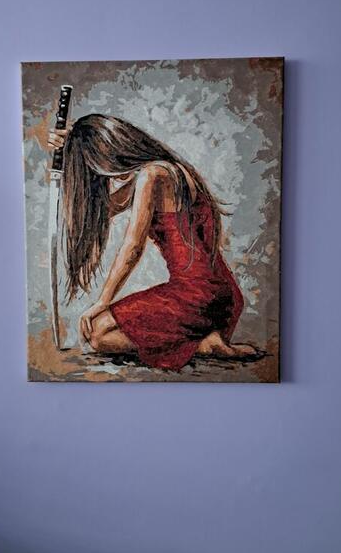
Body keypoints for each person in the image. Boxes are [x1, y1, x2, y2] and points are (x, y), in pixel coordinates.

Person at [48, 114, 257, 371]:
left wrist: (102, 301)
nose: (106, 176)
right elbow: (99, 209)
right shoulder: (165, 171)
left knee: (98, 334)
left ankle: (203, 345)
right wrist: (69, 149)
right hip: (221, 296)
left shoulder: (153, 175)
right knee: (99, 332)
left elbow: (133, 248)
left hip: (197, 295)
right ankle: (207, 340)